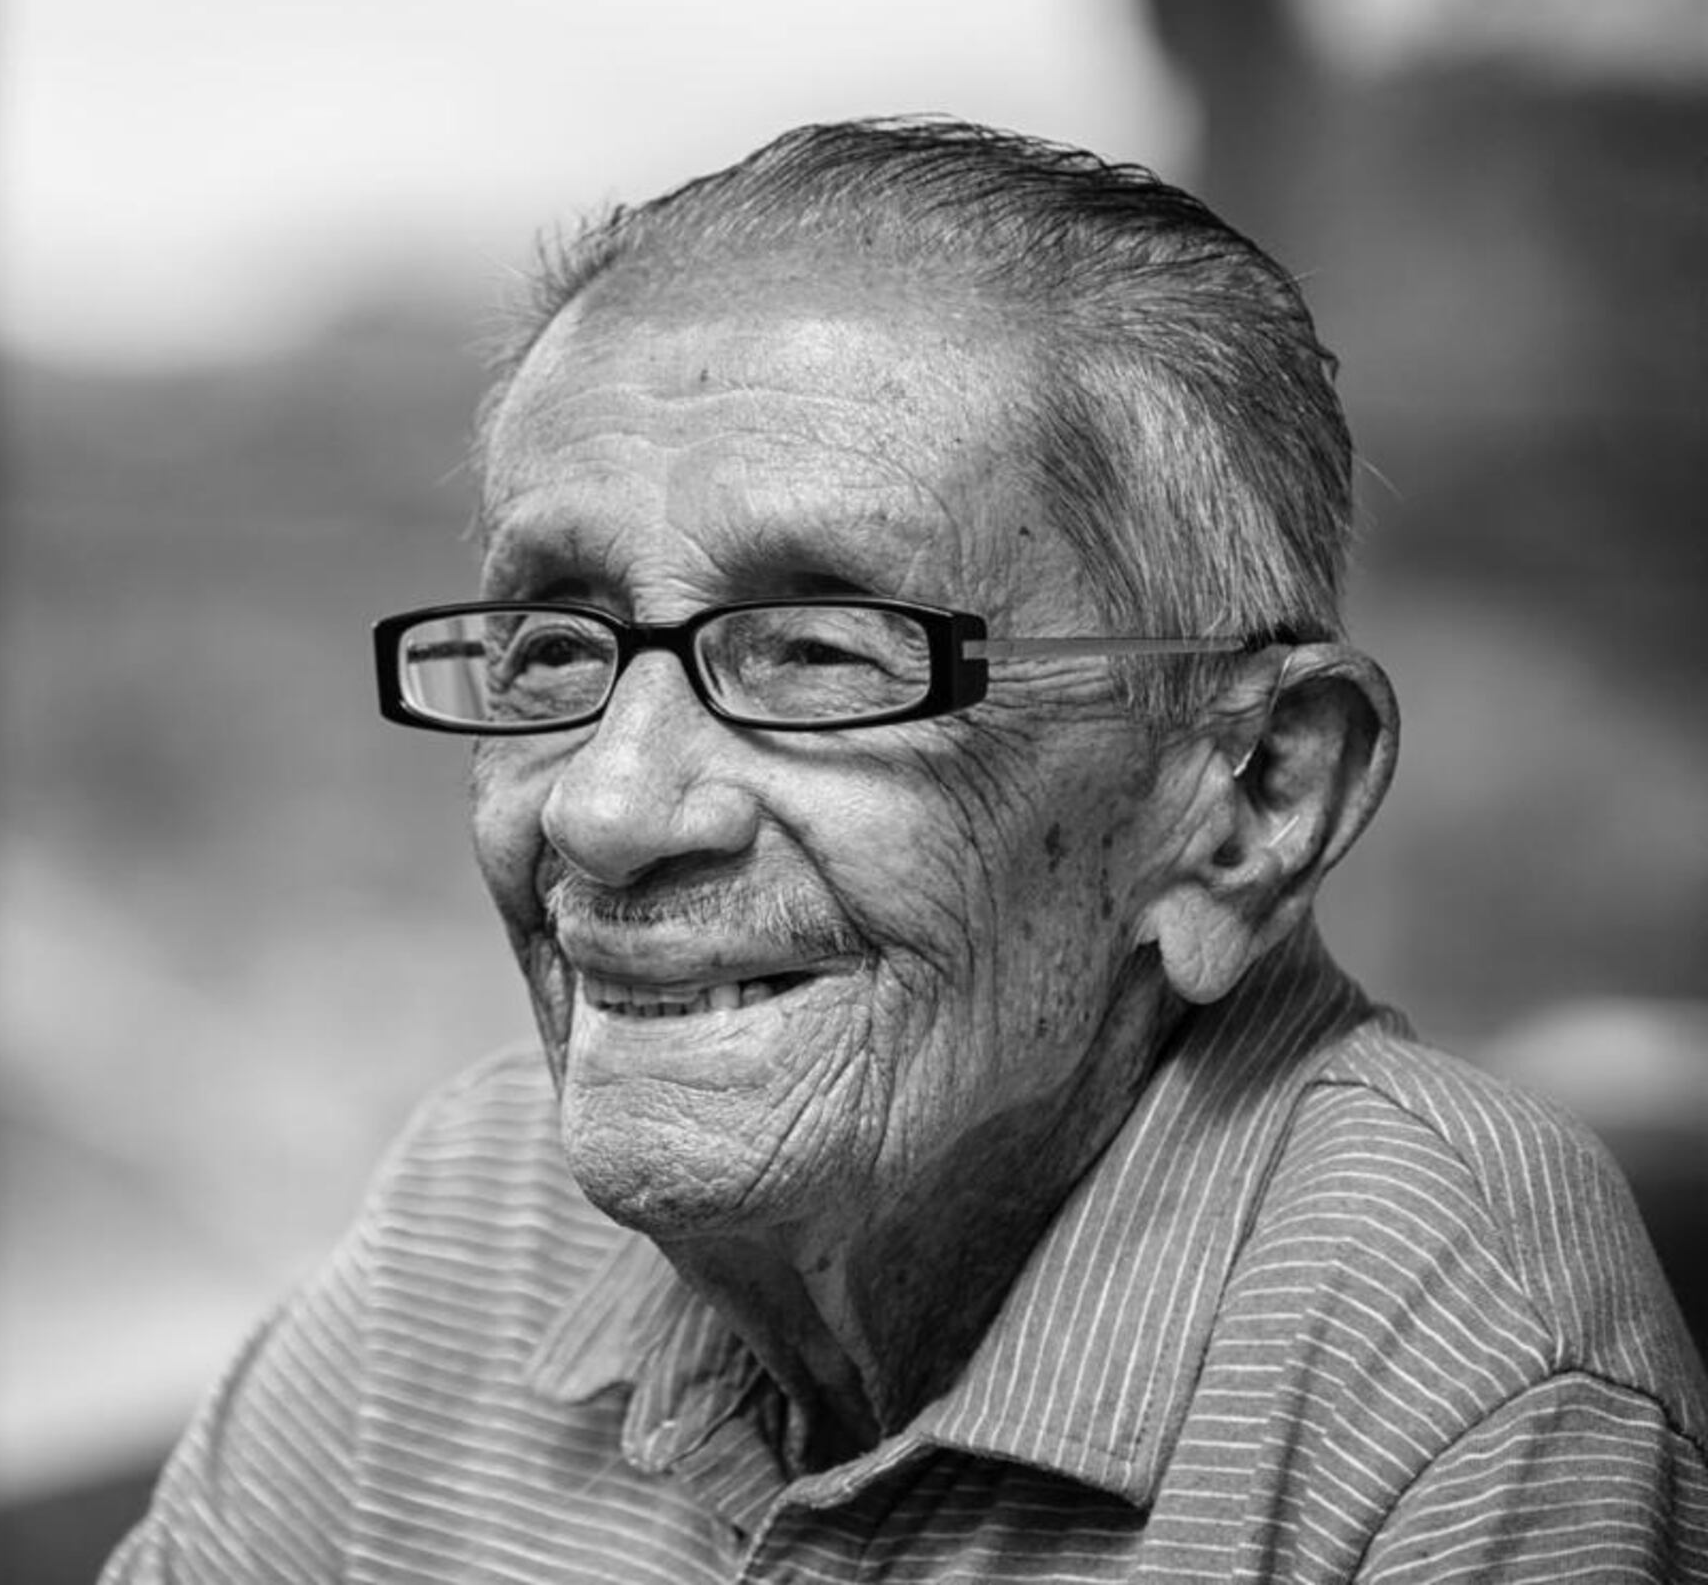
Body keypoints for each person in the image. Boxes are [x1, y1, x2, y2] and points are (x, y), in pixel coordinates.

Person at [102, 119, 1708, 1581]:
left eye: (820, 656)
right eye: (551, 650)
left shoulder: (1441, 1339)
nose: (604, 810)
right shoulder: (482, 1205)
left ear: (1248, 797)